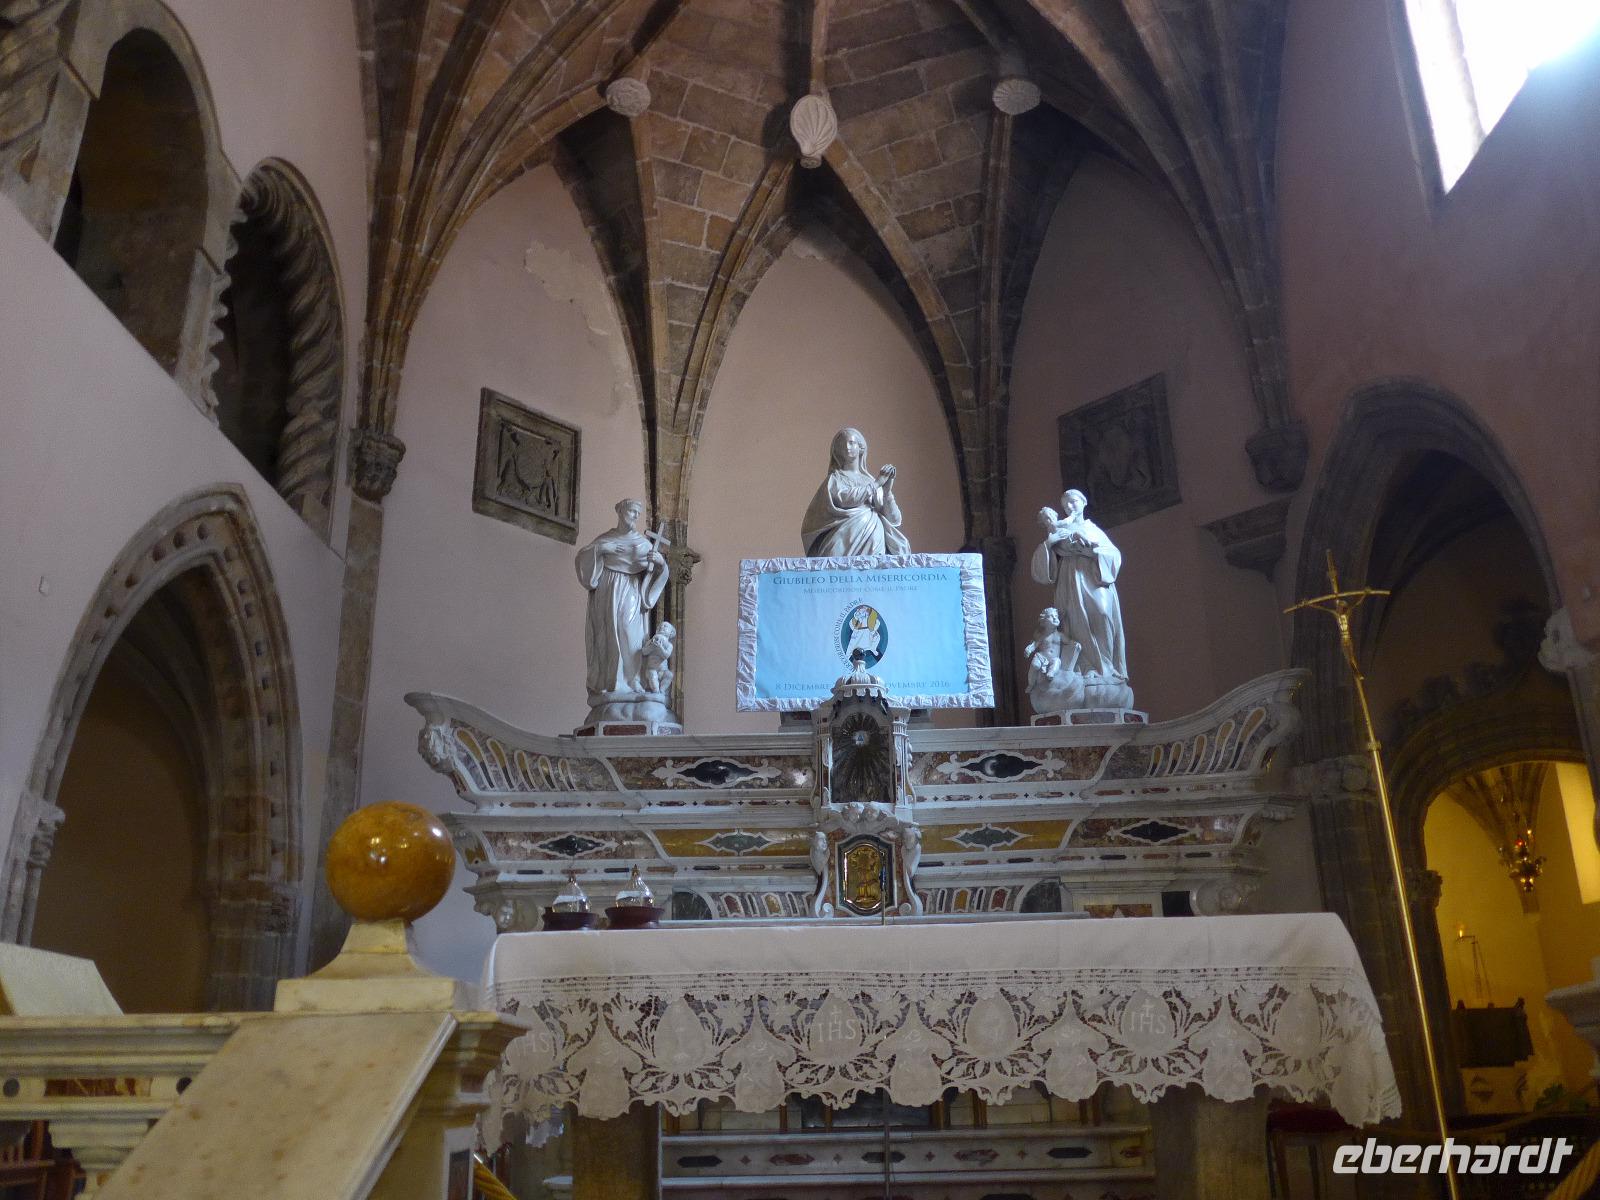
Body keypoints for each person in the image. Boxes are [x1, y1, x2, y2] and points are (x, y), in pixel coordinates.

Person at [574, 499, 669, 706]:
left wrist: (660, 563)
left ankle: (634, 681)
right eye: (631, 511)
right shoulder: (606, 539)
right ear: (620, 511)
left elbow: (657, 570)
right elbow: (584, 558)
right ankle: (612, 682)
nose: (635, 515)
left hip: (631, 590)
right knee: (608, 635)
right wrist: (600, 550)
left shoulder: (642, 543)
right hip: (607, 591)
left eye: (637, 512)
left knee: (629, 632)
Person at [1030, 490, 1127, 681]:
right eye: (1066, 506)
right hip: (1069, 580)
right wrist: (1049, 544)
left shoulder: (1093, 529)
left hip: (1094, 577)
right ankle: (1086, 668)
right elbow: (1041, 569)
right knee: (1073, 622)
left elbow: (1113, 555)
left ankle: (1106, 668)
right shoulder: (1058, 529)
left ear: (1083, 503)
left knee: (1102, 613)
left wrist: (1093, 553)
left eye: (1073, 502)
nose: (1069, 507)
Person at [800, 427, 910, 556]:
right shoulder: (836, 478)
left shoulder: (870, 480)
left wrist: (886, 492)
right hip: (844, 540)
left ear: (860, 447)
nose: (847, 447)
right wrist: (876, 485)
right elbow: (845, 499)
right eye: (843, 445)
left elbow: (894, 520)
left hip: (874, 542)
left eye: (851, 443)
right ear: (838, 451)